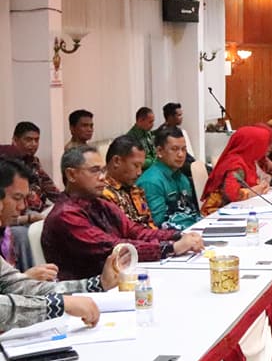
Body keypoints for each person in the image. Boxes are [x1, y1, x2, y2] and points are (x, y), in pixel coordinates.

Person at [42, 146, 203, 280]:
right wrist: (172, 248)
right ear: (71, 174)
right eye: (94, 171)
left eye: (103, 171)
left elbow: (135, 231)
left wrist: (178, 236)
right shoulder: (66, 215)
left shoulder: (99, 203)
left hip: (118, 278)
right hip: (87, 293)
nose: (102, 177)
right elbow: (114, 248)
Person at [0, 158, 122, 329]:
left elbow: (18, 285)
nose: (22, 207)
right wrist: (59, 305)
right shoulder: (66, 213)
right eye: (17, 198)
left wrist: (97, 284)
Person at [138, 127, 202, 230]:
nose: (181, 155)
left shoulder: (183, 178)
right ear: (159, 151)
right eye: (174, 149)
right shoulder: (151, 182)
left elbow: (191, 213)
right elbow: (158, 224)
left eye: (184, 149)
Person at [201, 126, 272, 215]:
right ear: (252, 144)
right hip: (218, 212)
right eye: (264, 144)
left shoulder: (248, 161)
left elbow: (252, 185)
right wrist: (256, 190)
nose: (269, 147)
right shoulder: (235, 164)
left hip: (237, 209)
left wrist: (262, 186)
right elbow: (232, 194)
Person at [0, 121, 62, 222]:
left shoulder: (34, 162)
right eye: (28, 140)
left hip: (40, 211)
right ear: (15, 140)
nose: (33, 144)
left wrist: (67, 202)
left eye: (36, 140)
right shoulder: (5, 161)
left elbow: (50, 188)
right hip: (19, 215)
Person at [101, 135, 156, 229]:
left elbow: (149, 223)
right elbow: (122, 235)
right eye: (135, 165)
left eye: (141, 167)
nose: (139, 173)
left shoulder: (135, 189)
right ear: (117, 161)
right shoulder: (103, 194)